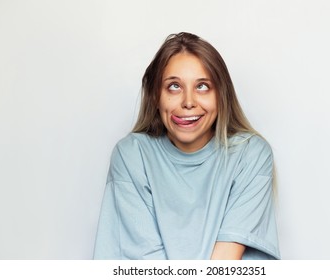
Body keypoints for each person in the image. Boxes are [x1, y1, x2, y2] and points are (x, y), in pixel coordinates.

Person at [93, 32, 280, 260]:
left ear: (221, 96)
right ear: (155, 96)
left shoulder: (250, 155)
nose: (188, 102)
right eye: (173, 87)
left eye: (202, 86)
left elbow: (225, 263)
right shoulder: (132, 155)